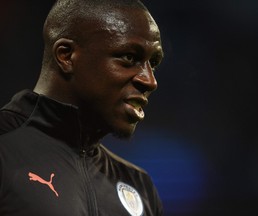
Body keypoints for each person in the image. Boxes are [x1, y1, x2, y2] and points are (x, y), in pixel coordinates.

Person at [0, 0, 164, 215]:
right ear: (66, 56)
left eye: (153, 63)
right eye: (129, 57)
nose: (150, 81)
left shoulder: (139, 187)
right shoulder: (5, 146)